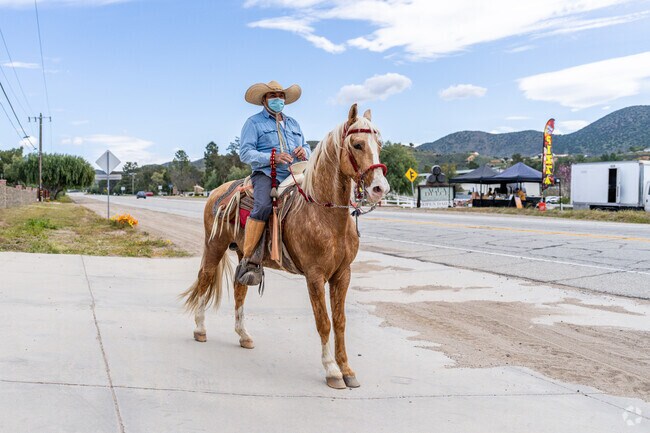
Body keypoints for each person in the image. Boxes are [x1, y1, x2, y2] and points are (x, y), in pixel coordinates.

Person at [235, 80, 311, 286]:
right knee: (263, 206)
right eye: (273, 96)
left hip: (296, 173)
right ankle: (249, 259)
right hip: (266, 174)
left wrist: (304, 151)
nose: (278, 99)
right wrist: (272, 157)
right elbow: (245, 153)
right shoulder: (253, 123)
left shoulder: (293, 123)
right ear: (264, 100)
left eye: (281, 96)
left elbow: (305, 145)